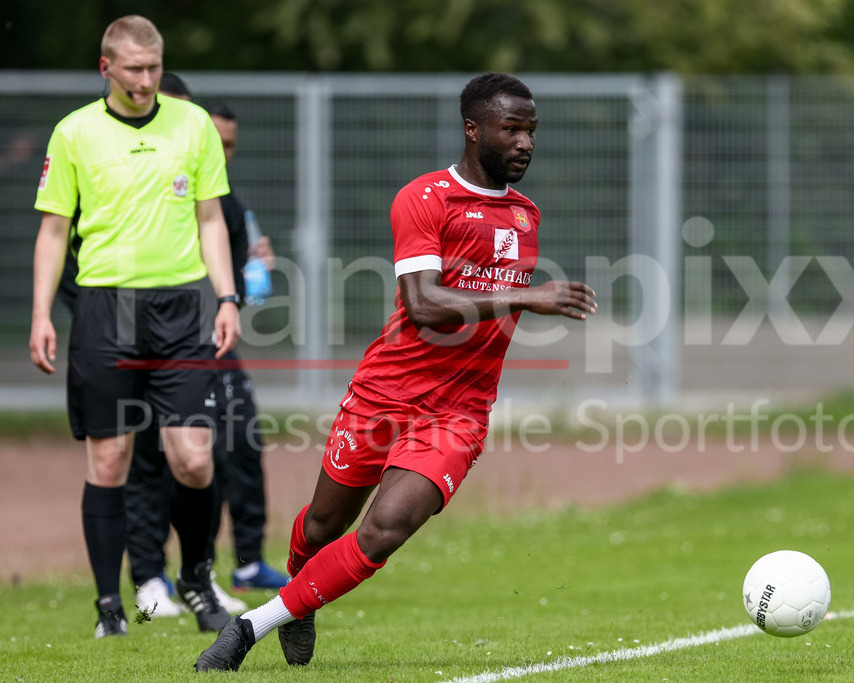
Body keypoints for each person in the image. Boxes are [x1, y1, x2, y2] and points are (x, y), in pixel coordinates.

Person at [195, 72, 598, 671]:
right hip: (385, 393)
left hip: (458, 413)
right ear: (473, 128)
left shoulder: (526, 216)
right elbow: (423, 304)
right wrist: (524, 298)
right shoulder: (425, 199)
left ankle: (250, 627)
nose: (524, 142)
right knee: (324, 524)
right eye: (511, 128)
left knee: (386, 529)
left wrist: (518, 302)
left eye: (531, 130)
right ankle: (300, 599)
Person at [29, 16, 240, 637]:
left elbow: (210, 220)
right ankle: (108, 607)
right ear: (106, 69)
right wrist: (42, 312)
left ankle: (197, 581)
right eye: (134, 70)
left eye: (154, 68)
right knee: (111, 457)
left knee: (194, 458)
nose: (146, 81)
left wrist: (225, 296)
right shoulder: (74, 132)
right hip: (105, 307)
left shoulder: (193, 124)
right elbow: (53, 231)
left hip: (178, 306)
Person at [126, 87, 288, 621]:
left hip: (212, 340)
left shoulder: (224, 201)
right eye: (215, 140)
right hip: (158, 340)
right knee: (153, 456)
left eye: (229, 144)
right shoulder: (152, 193)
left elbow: (239, 270)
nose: (222, 151)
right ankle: (149, 577)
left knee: (233, 445)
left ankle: (225, 566)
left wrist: (249, 271)